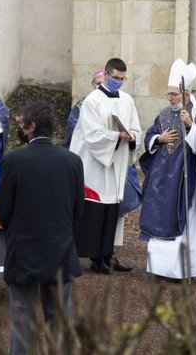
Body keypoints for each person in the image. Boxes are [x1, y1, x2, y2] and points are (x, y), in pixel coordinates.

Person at [0, 101, 84, 355]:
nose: (19, 127)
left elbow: (2, 209)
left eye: (22, 123)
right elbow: (78, 210)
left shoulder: (13, 160)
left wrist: (17, 234)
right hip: (61, 249)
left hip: (24, 250)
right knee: (60, 323)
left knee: (23, 323)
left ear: (31, 127)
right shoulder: (72, 161)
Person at [138, 60, 196, 280]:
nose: (170, 98)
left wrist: (191, 126)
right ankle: (159, 269)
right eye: (168, 94)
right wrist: (158, 138)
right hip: (161, 180)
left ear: (187, 94)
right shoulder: (163, 115)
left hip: (185, 180)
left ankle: (182, 270)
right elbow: (149, 137)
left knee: (183, 222)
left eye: (174, 94)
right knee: (160, 218)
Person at [68, 57, 141, 275]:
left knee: (112, 211)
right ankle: (95, 257)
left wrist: (132, 136)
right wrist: (116, 135)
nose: (119, 82)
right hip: (96, 164)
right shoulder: (92, 101)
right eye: (116, 78)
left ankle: (108, 254)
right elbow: (92, 134)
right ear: (106, 75)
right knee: (96, 210)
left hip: (116, 162)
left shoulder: (127, 100)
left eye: (122, 79)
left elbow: (136, 126)